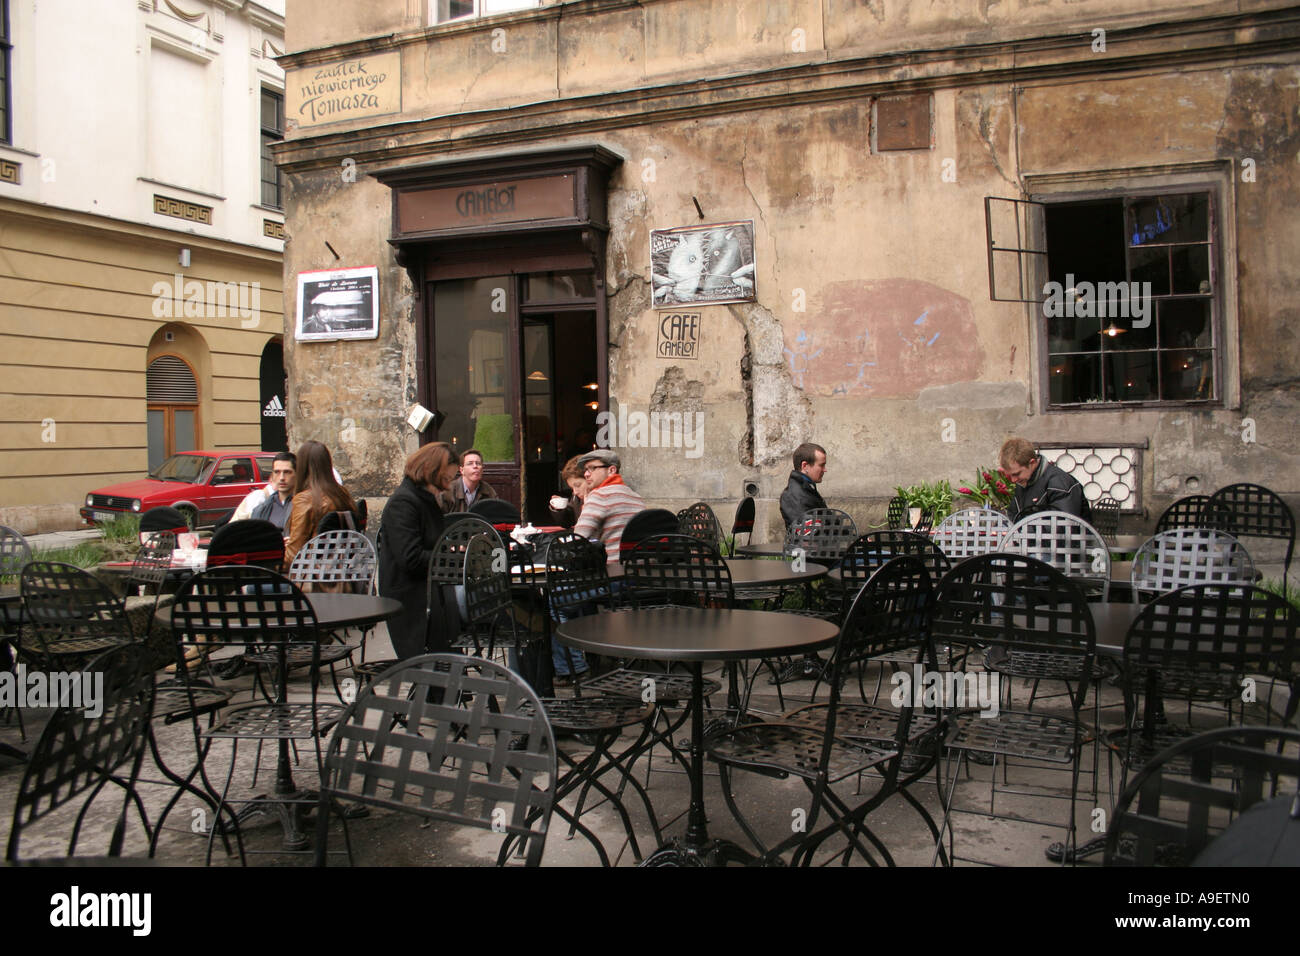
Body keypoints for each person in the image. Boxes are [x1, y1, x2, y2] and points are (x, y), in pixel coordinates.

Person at [377, 443, 462, 660]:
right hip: (411, 599)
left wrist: (451, 550)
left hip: (431, 593)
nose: (450, 483)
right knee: (430, 667)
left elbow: (431, 542)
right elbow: (410, 558)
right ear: (432, 470)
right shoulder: (404, 502)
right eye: (447, 477)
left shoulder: (426, 499)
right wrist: (451, 556)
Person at [284, 440, 357, 567]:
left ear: (301, 467)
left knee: (253, 586)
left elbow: (294, 556)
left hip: (314, 576)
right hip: (345, 572)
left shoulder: (304, 499)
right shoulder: (342, 494)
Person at [573, 449, 645, 563]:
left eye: (592, 468)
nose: (586, 474)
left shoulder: (599, 495)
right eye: (586, 470)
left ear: (611, 470)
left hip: (612, 571)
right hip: (639, 570)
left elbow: (578, 539)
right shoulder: (636, 497)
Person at [999, 437, 1090, 522]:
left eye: (1017, 474)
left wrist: (1019, 532)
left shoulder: (1059, 483)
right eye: (1010, 475)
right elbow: (1012, 516)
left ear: (1032, 463)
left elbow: (1063, 527)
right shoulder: (1024, 482)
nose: (1013, 480)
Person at [779, 442, 828, 528]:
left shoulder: (807, 490)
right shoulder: (793, 495)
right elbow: (808, 535)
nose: (825, 470)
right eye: (821, 465)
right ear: (805, 466)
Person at [437, 448, 498, 513]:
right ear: (462, 470)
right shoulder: (448, 491)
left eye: (478, 463)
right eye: (470, 463)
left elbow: (496, 515)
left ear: (482, 469)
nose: (475, 466)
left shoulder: (488, 491)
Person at [249, 451, 296, 531]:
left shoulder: (304, 504)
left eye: (287, 472)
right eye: (277, 472)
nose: (281, 477)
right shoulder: (261, 509)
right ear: (272, 476)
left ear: (297, 474)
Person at [548, 454, 588, 528]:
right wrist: (559, 510)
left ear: (589, 478)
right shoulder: (576, 497)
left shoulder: (603, 498)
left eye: (578, 485)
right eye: (572, 488)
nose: (575, 492)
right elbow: (568, 522)